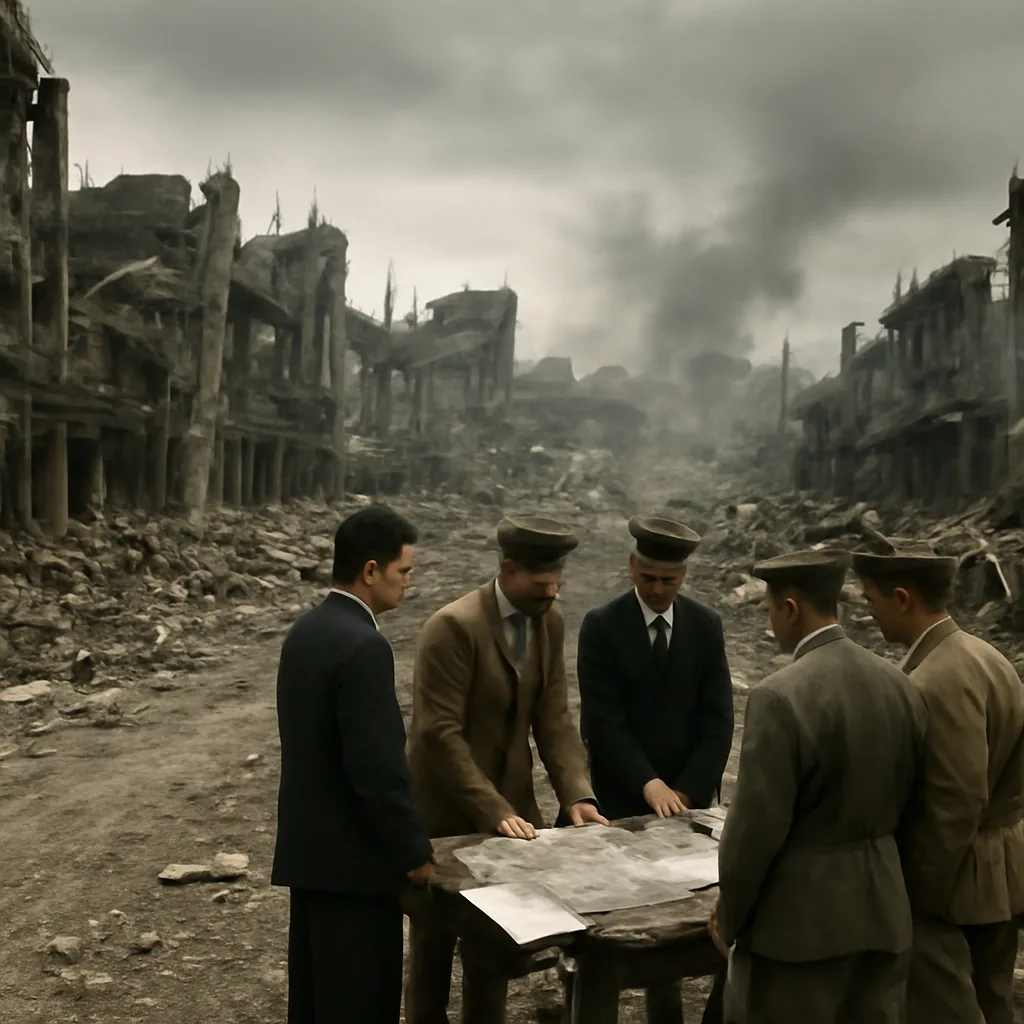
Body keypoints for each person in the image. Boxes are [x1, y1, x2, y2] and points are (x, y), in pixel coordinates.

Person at [708, 549, 927, 1024]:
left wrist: (730, 915)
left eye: (771, 610)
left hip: (799, 931)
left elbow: (754, 831)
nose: (772, 622)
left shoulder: (779, 695)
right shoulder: (900, 684)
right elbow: (915, 806)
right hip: (884, 914)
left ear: (790, 609)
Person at [404, 514, 607, 1023]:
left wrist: (577, 795)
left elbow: (554, 715)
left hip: (510, 818)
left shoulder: (549, 621)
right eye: (540, 584)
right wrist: (491, 807)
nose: (551, 593)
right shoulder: (453, 627)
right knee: (433, 949)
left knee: (492, 949)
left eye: (557, 583)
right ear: (508, 570)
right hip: (444, 814)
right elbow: (438, 733)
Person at [271, 505, 435, 1024]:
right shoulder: (365, 646)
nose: (407, 584)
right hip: (356, 868)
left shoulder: (305, 631)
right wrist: (413, 850)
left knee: (316, 1003)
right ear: (370, 571)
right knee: (361, 1004)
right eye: (403, 571)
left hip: (311, 860)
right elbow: (376, 768)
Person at [853, 538, 1024, 1024]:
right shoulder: (984, 654)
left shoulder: (939, 678)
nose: (870, 615)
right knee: (993, 1002)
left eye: (872, 601)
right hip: (999, 873)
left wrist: (918, 891)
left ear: (903, 598)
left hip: (956, 886)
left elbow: (957, 799)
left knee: (945, 1007)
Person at [576, 514, 734, 1023]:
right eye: (648, 579)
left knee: (685, 916)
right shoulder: (602, 626)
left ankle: (667, 1011)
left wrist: (686, 790)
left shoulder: (706, 625)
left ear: (684, 576)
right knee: (616, 920)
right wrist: (649, 784)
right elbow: (603, 721)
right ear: (631, 568)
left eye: (669, 581)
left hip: (687, 803)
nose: (658, 590)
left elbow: (718, 718)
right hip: (625, 795)